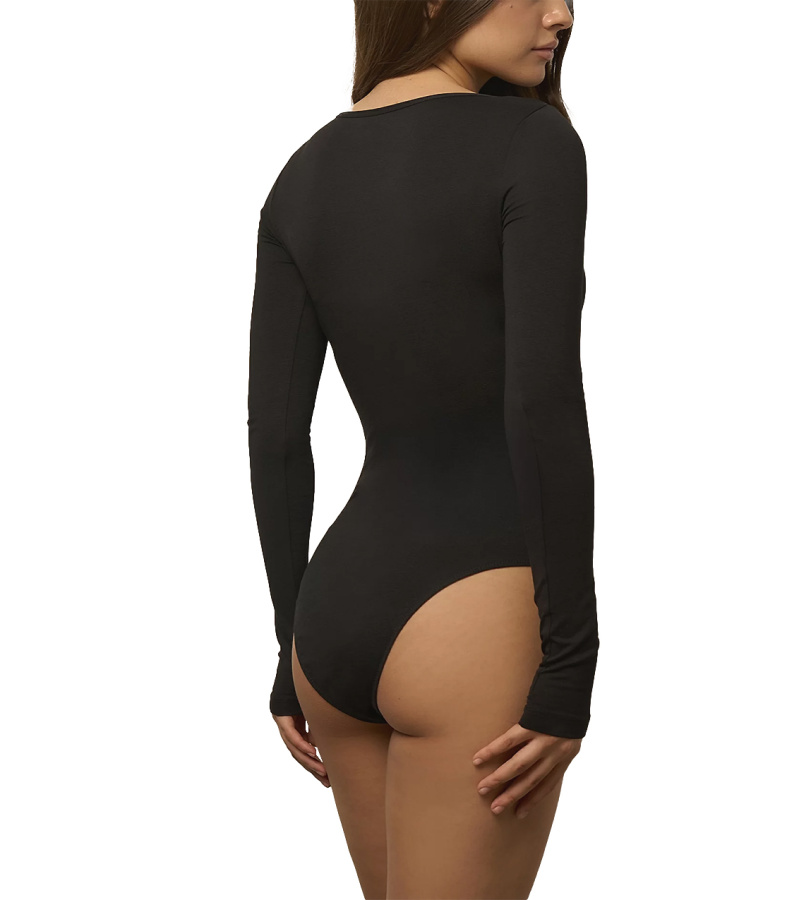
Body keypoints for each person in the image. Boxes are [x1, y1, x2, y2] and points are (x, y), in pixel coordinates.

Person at [247, 1, 598, 896]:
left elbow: (276, 437)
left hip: (333, 615)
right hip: (470, 615)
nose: (561, 13)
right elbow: (541, 403)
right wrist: (571, 661)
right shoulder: (530, 142)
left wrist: (287, 653)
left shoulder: (302, 172)